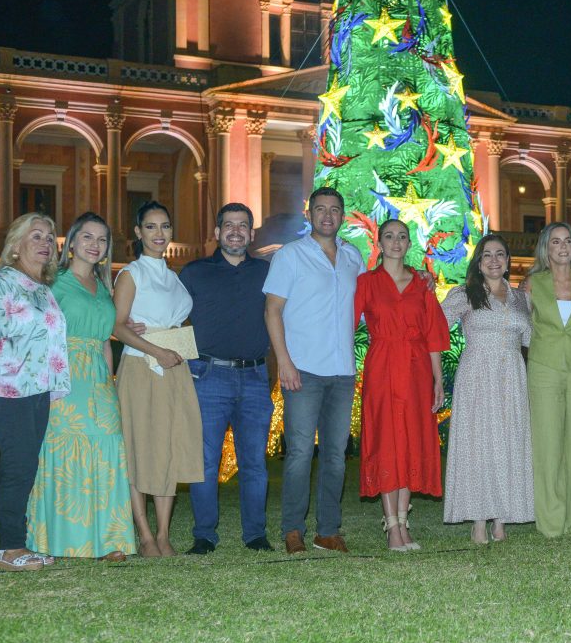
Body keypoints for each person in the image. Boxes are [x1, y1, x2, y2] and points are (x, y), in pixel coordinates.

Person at [0, 213, 70, 571]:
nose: (44, 242)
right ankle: (9, 549)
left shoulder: (41, 288)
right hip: (6, 389)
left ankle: (20, 544)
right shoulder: (3, 283)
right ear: (16, 245)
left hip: (36, 391)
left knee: (26, 466)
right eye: (35, 235)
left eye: (49, 236)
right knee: (18, 465)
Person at [27, 212, 135, 561]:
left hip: (99, 380)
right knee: (63, 452)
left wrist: (110, 382)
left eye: (102, 239)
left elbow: (105, 339)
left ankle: (108, 542)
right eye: (87, 237)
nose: (94, 244)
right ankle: (57, 540)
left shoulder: (105, 289)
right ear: (71, 243)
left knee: (106, 449)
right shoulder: (53, 282)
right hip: (62, 375)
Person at [264, 186, 366, 554]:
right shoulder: (291, 256)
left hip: (342, 372)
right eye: (320, 209)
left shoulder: (355, 258)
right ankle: (293, 529)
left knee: (337, 455)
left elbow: (373, 301)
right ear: (308, 214)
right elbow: (272, 311)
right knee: (300, 454)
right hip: (302, 369)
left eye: (334, 209)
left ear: (342, 216)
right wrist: (285, 362)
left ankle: (327, 530)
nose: (327, 215)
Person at [179, 203, 274, 553]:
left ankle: (255, 534)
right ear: (217, 233)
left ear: (251, 234)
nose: (236, 231)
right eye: (229, 225)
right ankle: (204, 534)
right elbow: (169, 314)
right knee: (205, 461)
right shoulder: (194, 272)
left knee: (254, 461)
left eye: (243, 225)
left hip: (255, 376)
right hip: (208, 375)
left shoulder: (267, 274)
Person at [113, 201, 204, 557]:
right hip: (141, 368)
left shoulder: (173, 276)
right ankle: (146, 535)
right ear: (138, 233)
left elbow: (175, 321)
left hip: (174, 367)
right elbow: (117, 326)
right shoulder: (131, 274)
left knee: (168, 446)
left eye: (164, 226)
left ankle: (164, 534)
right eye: (150, 227)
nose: (159, 234)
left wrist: (173, 348)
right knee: (139, 447)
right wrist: (155, 350)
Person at [353, 218, 450, 551]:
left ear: (410, 244)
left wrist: (438, 379)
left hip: (416, 369)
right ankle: (392, 526)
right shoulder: (366, 282)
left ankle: (404, 523)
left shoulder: (422, 284)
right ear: (379, 243)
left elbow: (434, 334)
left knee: (409, 441)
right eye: (390, 236)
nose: (396, 242)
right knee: (385, 442)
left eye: (402, 237)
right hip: (381, 366)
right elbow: (346, 324)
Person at [441, 234, 533, 543]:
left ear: (508, 261)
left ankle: (501, 519)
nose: (494, 260)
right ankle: (479, 520)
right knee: (479, 443)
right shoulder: (465, 294)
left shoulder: (522, 298)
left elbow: (532, 341)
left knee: (509, 442)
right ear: (478, 263)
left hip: (513, 375)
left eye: (500, 255)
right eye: (487, 255)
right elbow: (434, 326)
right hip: (477, 373)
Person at [524, 222, 571, 538]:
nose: (562, 246)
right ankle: (551, 521)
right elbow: (519, 325)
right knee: (547, 443)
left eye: (567, 240)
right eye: (555, 242)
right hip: (543, 368)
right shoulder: (532, 284)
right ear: (546, 248)